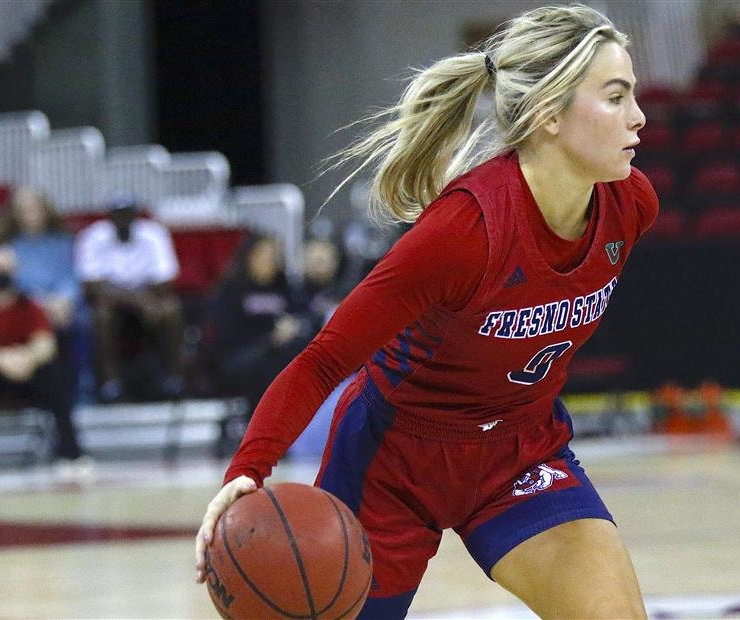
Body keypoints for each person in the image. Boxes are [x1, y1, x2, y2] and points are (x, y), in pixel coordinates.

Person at [195, 5, 655, 618]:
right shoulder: (463, 232)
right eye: (616, 96)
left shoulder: (631, 206)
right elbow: (325, 358)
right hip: (394, 462)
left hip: (520, 450)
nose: (639, 116)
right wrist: (247, 468)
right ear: (549, 113)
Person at [0, 244, 88, 476]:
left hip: (26, 372)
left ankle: (70, 453)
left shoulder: (31, 304)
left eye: (5, 267)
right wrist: (2, 359)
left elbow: (46, 345)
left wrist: (25, 358)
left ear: (16, 271)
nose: (0, 272)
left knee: (54, 373)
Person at [75, 195, 185, 402]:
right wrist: (138, 300)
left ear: (136, 215)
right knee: (101, 314)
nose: (123, 219)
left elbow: (166, 281)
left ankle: (173, 379)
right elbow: (91, 287)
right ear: (109, 217)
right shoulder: (93, 236)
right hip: (112, 303)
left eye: (127, 214)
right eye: (118, 214)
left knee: (171, 309)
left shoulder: (154, 233)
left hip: (148, 298)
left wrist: (140, 299)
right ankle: (110, 384)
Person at [0, 187, 88, 399]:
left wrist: (63, 300)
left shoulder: (63, 243)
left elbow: (72, 278)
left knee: (82, 323)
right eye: (24, 211)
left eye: (35, 210)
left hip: (62, 306)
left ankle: (83, 391)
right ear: (15, 216)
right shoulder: (8, 247)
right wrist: (38, 304)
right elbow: (8, 285)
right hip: (25, 307)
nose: (30, 216)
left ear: (46, 211)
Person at [207, 234, 309, 412]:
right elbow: (225, 334)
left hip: (278, 352)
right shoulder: (231, 290)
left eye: (275, 255)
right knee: (268, 365)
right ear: (250, 256)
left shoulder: (286, 288)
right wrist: (270, 338)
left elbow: (302, 317)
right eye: (265, 254)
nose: (271, 260)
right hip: (239, 354)